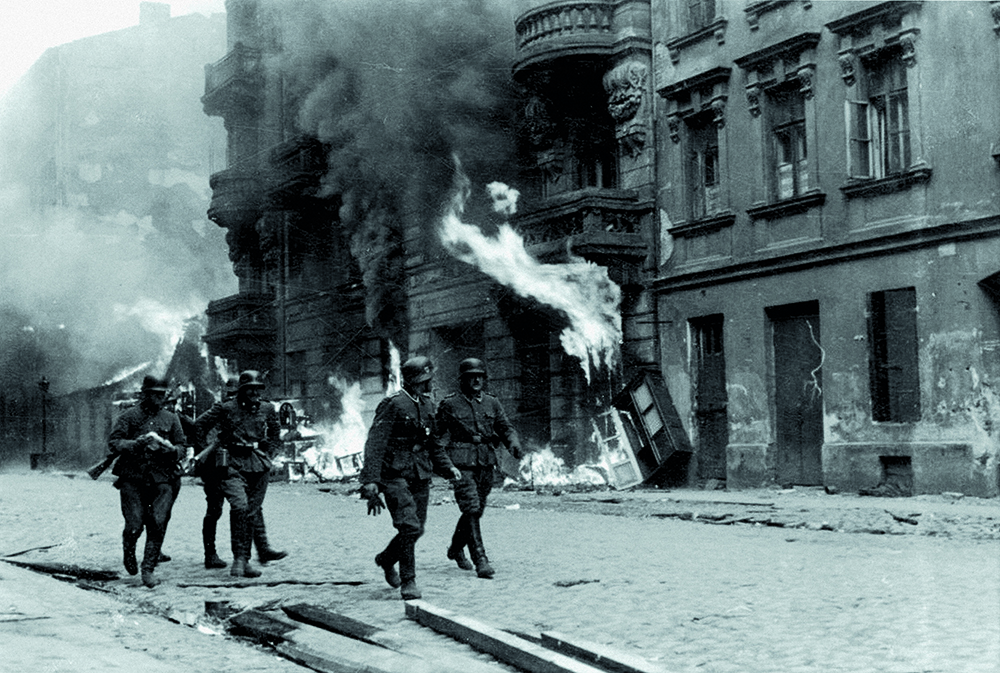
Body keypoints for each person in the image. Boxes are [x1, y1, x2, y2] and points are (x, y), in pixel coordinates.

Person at [359, 355, 461, 600]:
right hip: (394, 474)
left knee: (417, 529)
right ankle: (409, 581)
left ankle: (386, 559)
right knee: (409, 526)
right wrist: (371, 480)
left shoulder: (427, 404)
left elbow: (434, 443)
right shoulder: (392, 404)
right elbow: (375, 443)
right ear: (417, 380)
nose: (430, 383)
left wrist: (448, 468)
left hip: (420, 472)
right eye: (427, 379)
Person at [435, 358, 522, 579]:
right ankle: (480, 559)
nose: (476, 380)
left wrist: (513, 442)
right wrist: (442, 463)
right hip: (461, 463)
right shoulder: (450, 404)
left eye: (480, 376)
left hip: (485, 463)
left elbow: (505, 427)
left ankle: (455, 549)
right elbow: (436, 436)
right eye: (471, 376)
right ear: (462, 379)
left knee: (477, 509)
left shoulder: (492, 402)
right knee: (472, 507)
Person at [194, 370, 283, 578]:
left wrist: (269, 451)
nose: (254, 393)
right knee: (239, 507)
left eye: (258, 388)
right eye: (249, 389)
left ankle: (244, 560)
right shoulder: (225, 408)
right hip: (231, 463)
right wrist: (208, 451)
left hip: (258, 464)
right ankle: (237, 559)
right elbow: (200, 425)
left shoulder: (268, 408)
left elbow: (276, 431)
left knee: (251, 512)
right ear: (241, 390)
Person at [107, 375, 190, 588]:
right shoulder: (129, 416)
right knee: (134, 525)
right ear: (144, 394)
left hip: (163, 478)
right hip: (133, 477)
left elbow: (182, 446)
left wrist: (172, 450)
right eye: (154, 394)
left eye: (162, 395)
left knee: (158, 522)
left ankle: (148, 569)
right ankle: (129, 549)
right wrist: (135, 444)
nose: (159, 398)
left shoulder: (171, 418)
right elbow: (114, 442)